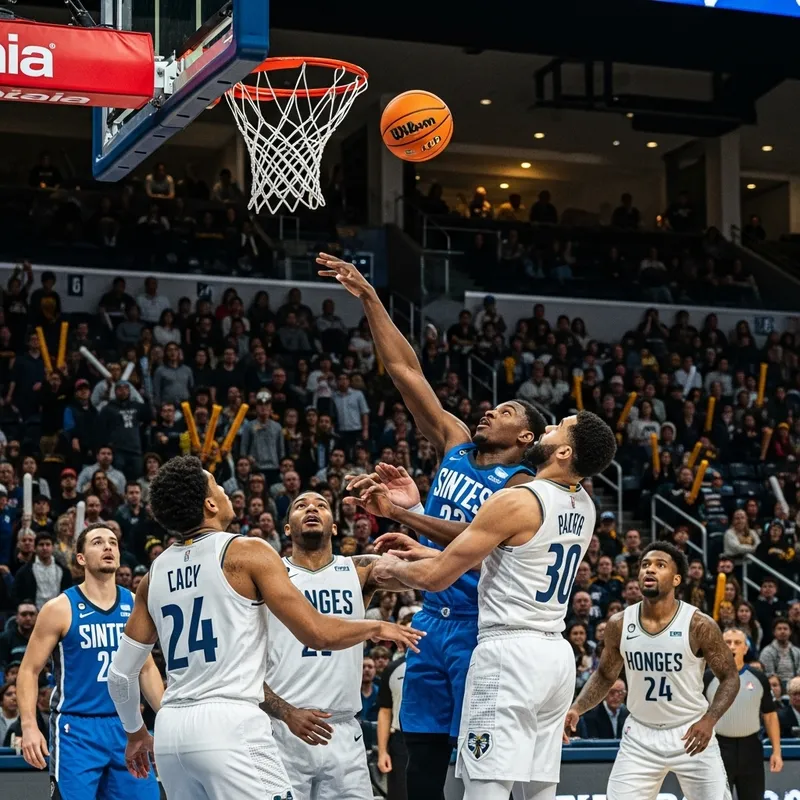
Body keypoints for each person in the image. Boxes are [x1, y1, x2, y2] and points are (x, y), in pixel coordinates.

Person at [318, 251, 546, 799]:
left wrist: (405, 515)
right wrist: (371, 298)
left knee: (479, 765)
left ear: (526, 439)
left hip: (479, 625)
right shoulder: (456, 444)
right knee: (419, 754)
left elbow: (472, 542)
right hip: (430, 621)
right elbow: (404, 372)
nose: (491, 411)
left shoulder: (522, 489)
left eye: (508, 411)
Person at [106, 455, 422, 800]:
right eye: (219, 488)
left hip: (171, 731)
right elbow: (317, 633)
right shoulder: (245, 551)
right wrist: (375, 626)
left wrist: (136, 732)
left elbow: (120, 676)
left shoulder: (153, 575)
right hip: (230, 723)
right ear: (211, 504)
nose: (227, 493)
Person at [367, 411, 617, 800]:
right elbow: (512, 558)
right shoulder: (584, 504)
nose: (548, 428)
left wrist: (393, 567)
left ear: (564, 451)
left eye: (558, 428)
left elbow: (437, 578)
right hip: (554, 656)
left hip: (508, 654)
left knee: (487, 786)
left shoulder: (516, 500)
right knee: (537, 789)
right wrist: (420, 549)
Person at [262, 489, 411, 800]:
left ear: (333, 526)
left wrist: (406, 519)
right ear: (287, 528)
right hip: (283, 729)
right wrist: (287, 713)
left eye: (321, 505)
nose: (312, 509)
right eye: (301, 506)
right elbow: (244, 666)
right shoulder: (267, 577)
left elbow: (434, 574)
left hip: (343, 730)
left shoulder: (358, 570)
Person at [565, 542, 740, 800]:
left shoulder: (698, 624)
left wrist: (709, 720)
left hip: (691, 731)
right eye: (645, 565)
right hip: (640, 735)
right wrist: (577, 708)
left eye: (660, 565)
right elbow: (604, 675)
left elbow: (730, 677)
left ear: (677, 578)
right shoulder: (620, 623)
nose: (650, 570)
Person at [16, 523, 162, 799]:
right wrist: (29, 726)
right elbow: (28, 671)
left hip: (127, 727)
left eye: (113, 542)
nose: (108, 547)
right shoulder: (59, 608)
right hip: (76, 729)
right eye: (97, 542)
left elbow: (146, 668)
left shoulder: (135, 604)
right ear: (81, 558)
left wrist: (167, 717)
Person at [706, 628, 782, 800]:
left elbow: (770, 715)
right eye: (727, 642)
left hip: (751, 749)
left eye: (737, 642)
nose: (732, 646)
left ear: (745, 649)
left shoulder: (759, 678)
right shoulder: (707, 678)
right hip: (717, 748)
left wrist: (776, 751)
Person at [377, 649, 408, 800]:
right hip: (400, 740)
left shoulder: (437, 665)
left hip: (431, 738)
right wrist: (382, 751)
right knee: (399, 794)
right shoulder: (393, 668)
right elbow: (385, 711)